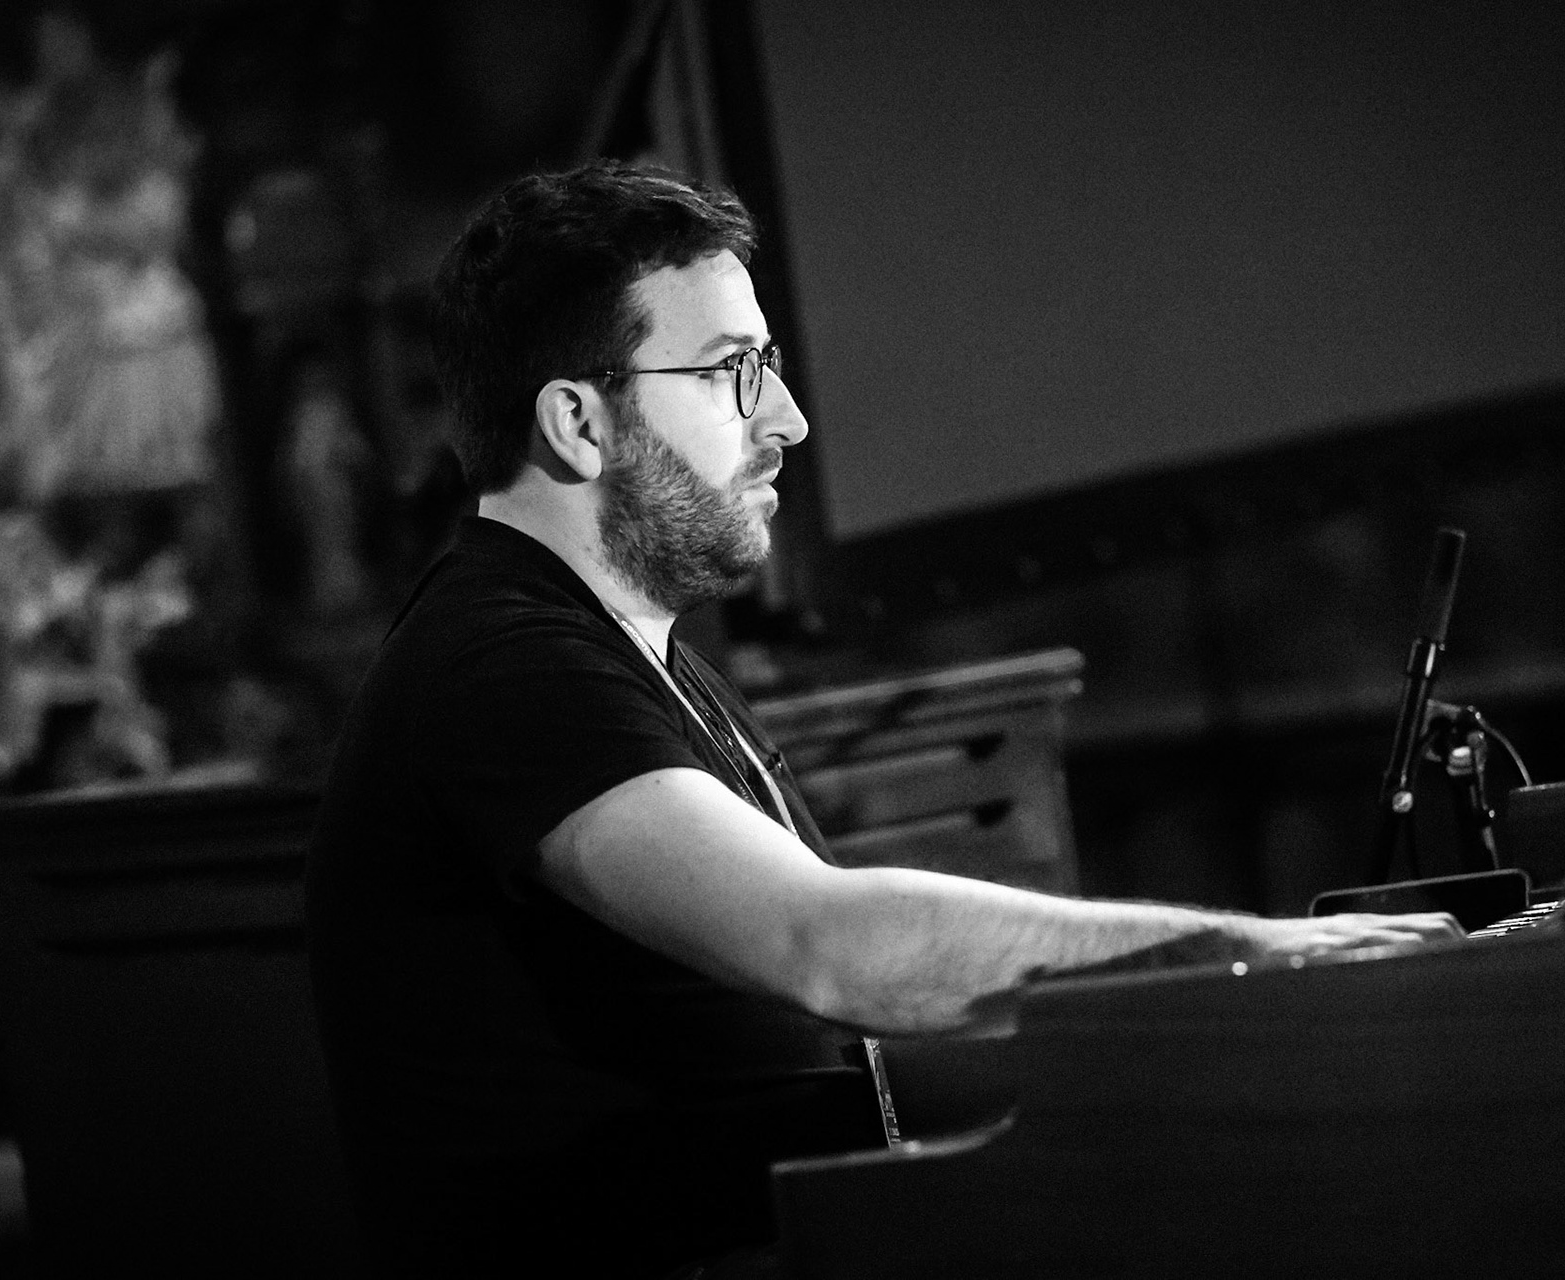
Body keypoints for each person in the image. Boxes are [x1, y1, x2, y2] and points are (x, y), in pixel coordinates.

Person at [303, 160, 1461, 1279]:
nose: (791, 420)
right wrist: (1244, 954)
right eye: (730, 372)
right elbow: (827, 944)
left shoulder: (629, 646)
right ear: (578, 422)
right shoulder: (503, 665)